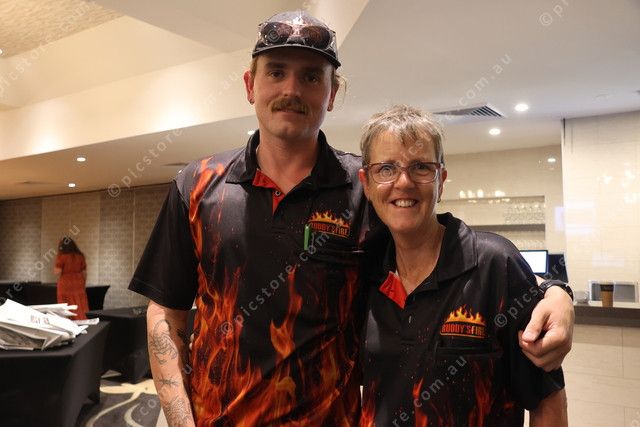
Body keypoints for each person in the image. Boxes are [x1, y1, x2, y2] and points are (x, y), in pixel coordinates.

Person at [128, 11, 573, 426]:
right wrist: (181, 421)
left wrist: (555, 292)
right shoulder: (198, 185)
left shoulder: (368, 189)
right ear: (250, 84)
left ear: (333, 93)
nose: (292, 89)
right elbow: (166, 311)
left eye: (311, 76)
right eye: (276, 72)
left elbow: (449, 256)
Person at [357, 104, 568, 426]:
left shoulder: (495, 265)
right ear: (367, 184)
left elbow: (547, 401)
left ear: (440, 180)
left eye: (421, 167)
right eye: (386, 169)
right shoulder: (363, 271)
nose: (404, 182)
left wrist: (557, 292)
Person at [53, 236, 89, 320]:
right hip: (78, 281)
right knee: (79, 301)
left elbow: (57, 272)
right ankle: (82, 319)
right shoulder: (80, 256)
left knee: (65, 302)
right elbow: (84, 273)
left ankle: (68, 320)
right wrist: (83, 283)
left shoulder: (61, 256)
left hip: (65, 282)